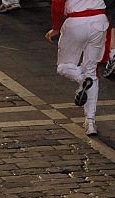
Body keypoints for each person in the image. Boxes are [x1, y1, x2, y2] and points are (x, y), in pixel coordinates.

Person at [45, 0, 108, 137]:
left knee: (64, 66)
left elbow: (57, 4)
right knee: (91, 71)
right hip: (99, 20)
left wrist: (56, 26)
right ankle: (90, 122)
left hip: (76, 21)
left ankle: (82, 79)